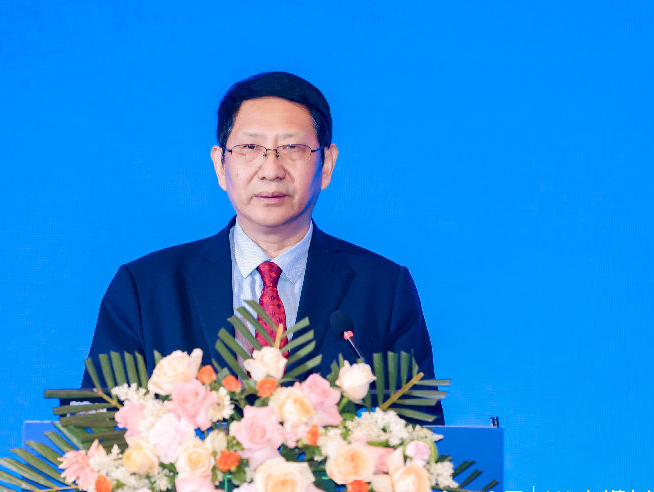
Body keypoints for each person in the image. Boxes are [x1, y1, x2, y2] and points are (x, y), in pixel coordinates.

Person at [84, 71, 444, 423]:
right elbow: (95, 430)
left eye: (292, 148)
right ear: (220, 165)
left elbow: (420, 438)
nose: (271, 170)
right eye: (250, 148)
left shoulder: (384, 289)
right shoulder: (145, 288)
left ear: (327, 164)